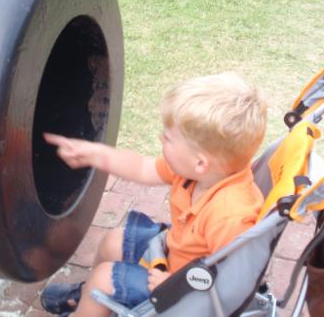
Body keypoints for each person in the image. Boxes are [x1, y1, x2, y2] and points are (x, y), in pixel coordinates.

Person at [40, 72, 267, 317]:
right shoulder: (200, 171)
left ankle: (89, 307)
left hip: (186, 293)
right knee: (113, 241)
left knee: (104, 278)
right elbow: (142, 167)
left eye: (168, 139)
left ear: (201, 162)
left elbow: (231, 287)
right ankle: (90, 300)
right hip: (173, 258)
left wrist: (174, 286)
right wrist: (96, 154)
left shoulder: (230, 215)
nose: (160, 139)